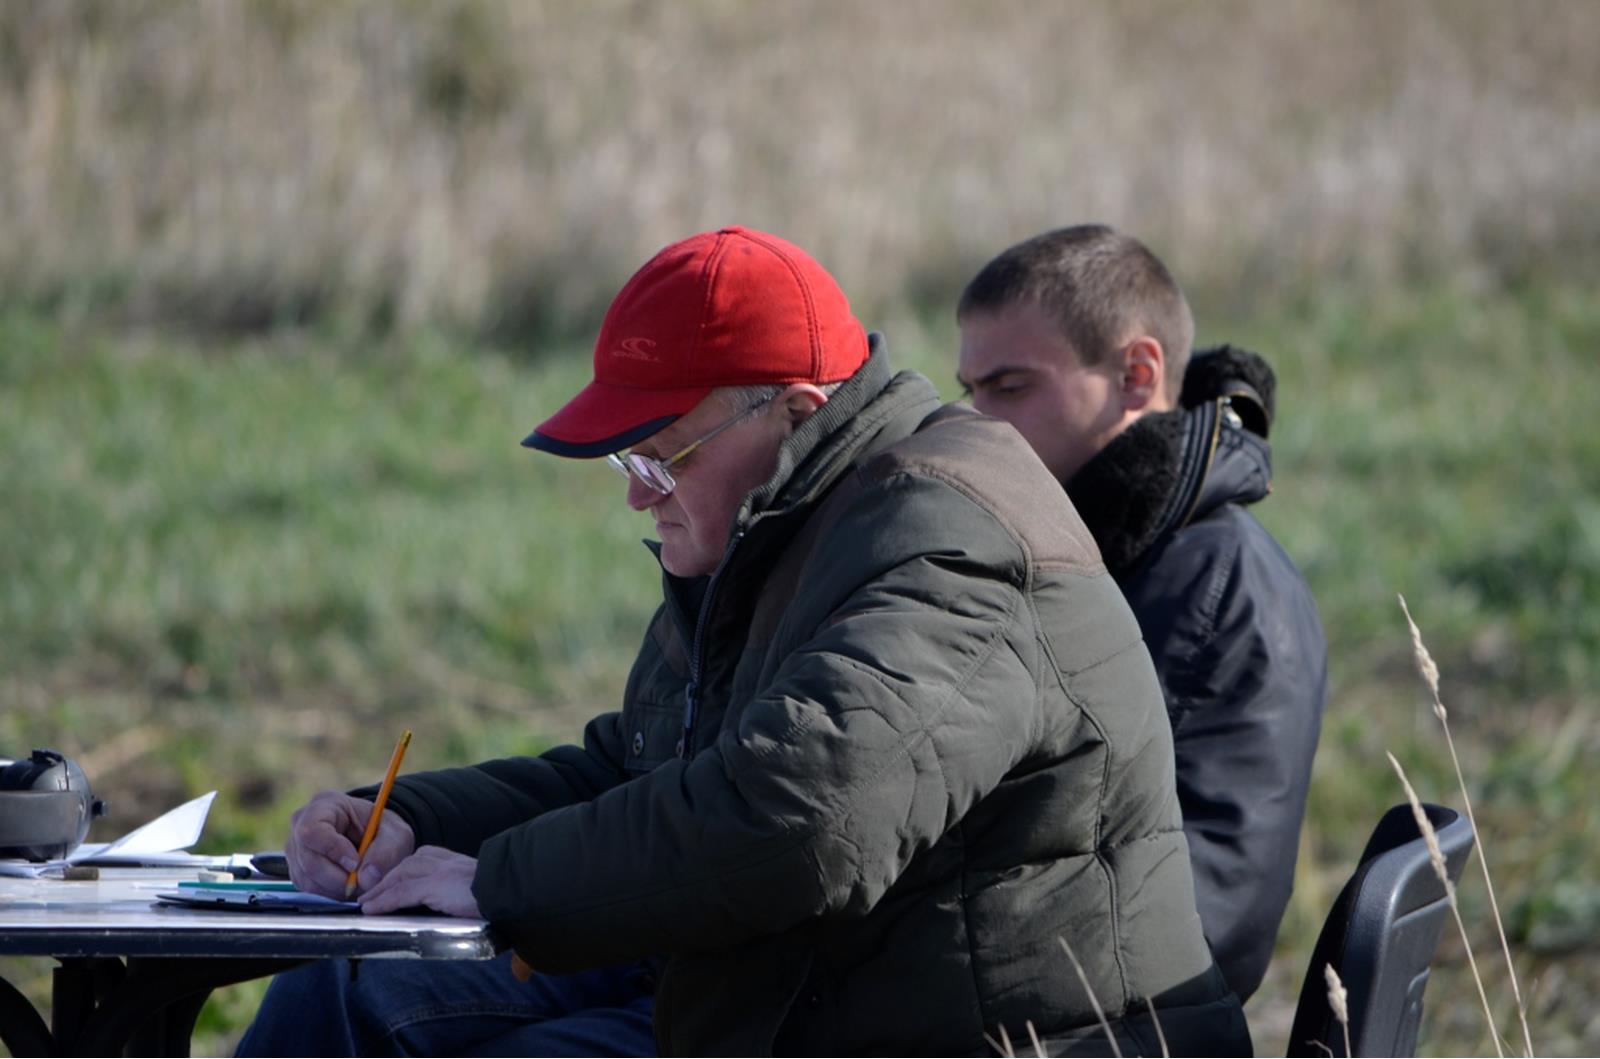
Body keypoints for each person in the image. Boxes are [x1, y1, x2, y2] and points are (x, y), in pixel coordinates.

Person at [240, 225, 1249, 1056]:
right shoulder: (771, 532)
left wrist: (501, 883)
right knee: (347, 995)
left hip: (1002, 1041)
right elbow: (641, 770)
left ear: (796, 414)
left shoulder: (946, 539)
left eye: (663, 456)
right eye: (626, 462)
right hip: (804, 1005)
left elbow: (801, 823)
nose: (639, 494)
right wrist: (412, 821)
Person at [956, 224, 1328, 1002]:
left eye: (1011, 388)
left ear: (1136, 374)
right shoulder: (1075, 550)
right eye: (971, 391)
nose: (979, 423)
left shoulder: (1217, 586)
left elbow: (1210, 920)